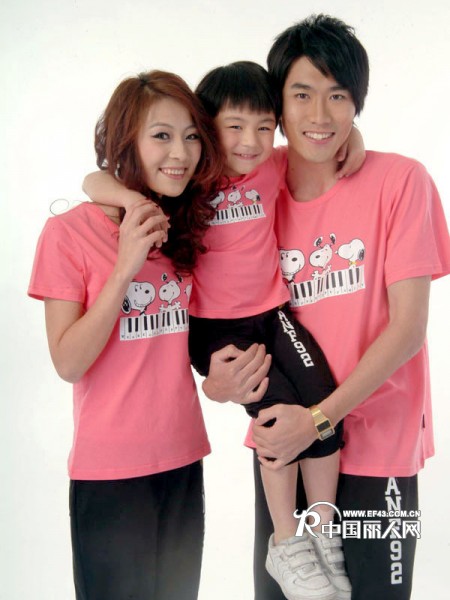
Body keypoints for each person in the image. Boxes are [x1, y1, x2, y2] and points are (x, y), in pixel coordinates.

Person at [82, 61, 366, 600]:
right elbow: (95, 179)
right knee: (277, 415)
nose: (250, 141)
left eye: (264, 127)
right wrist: (132, 201)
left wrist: (353, 135)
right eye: (234, 127)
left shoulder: (272, 166)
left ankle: (322, 532)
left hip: (273, 313)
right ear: (207, 129)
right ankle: (286, 543)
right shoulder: (188, 179)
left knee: (324, 405)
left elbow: (318, 147)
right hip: (215, 328)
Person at [204, 14, 450, 600]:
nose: (320, 115)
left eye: (338, 96)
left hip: (377, 448)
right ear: (278, 104)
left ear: (357, 103)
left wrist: (319, 419)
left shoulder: (402, 182)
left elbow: (409, 328)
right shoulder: (251, 182)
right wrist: (216, 384)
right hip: (284, 447)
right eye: (302, 94)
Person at [27, 70, 224, 600]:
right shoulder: (68, 234)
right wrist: (123, 268)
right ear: (125, 141)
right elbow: (68, 362)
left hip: (183, 458)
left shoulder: (181, 225)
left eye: (191, 136)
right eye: (161, 135)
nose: (180, 152)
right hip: (110, 472)